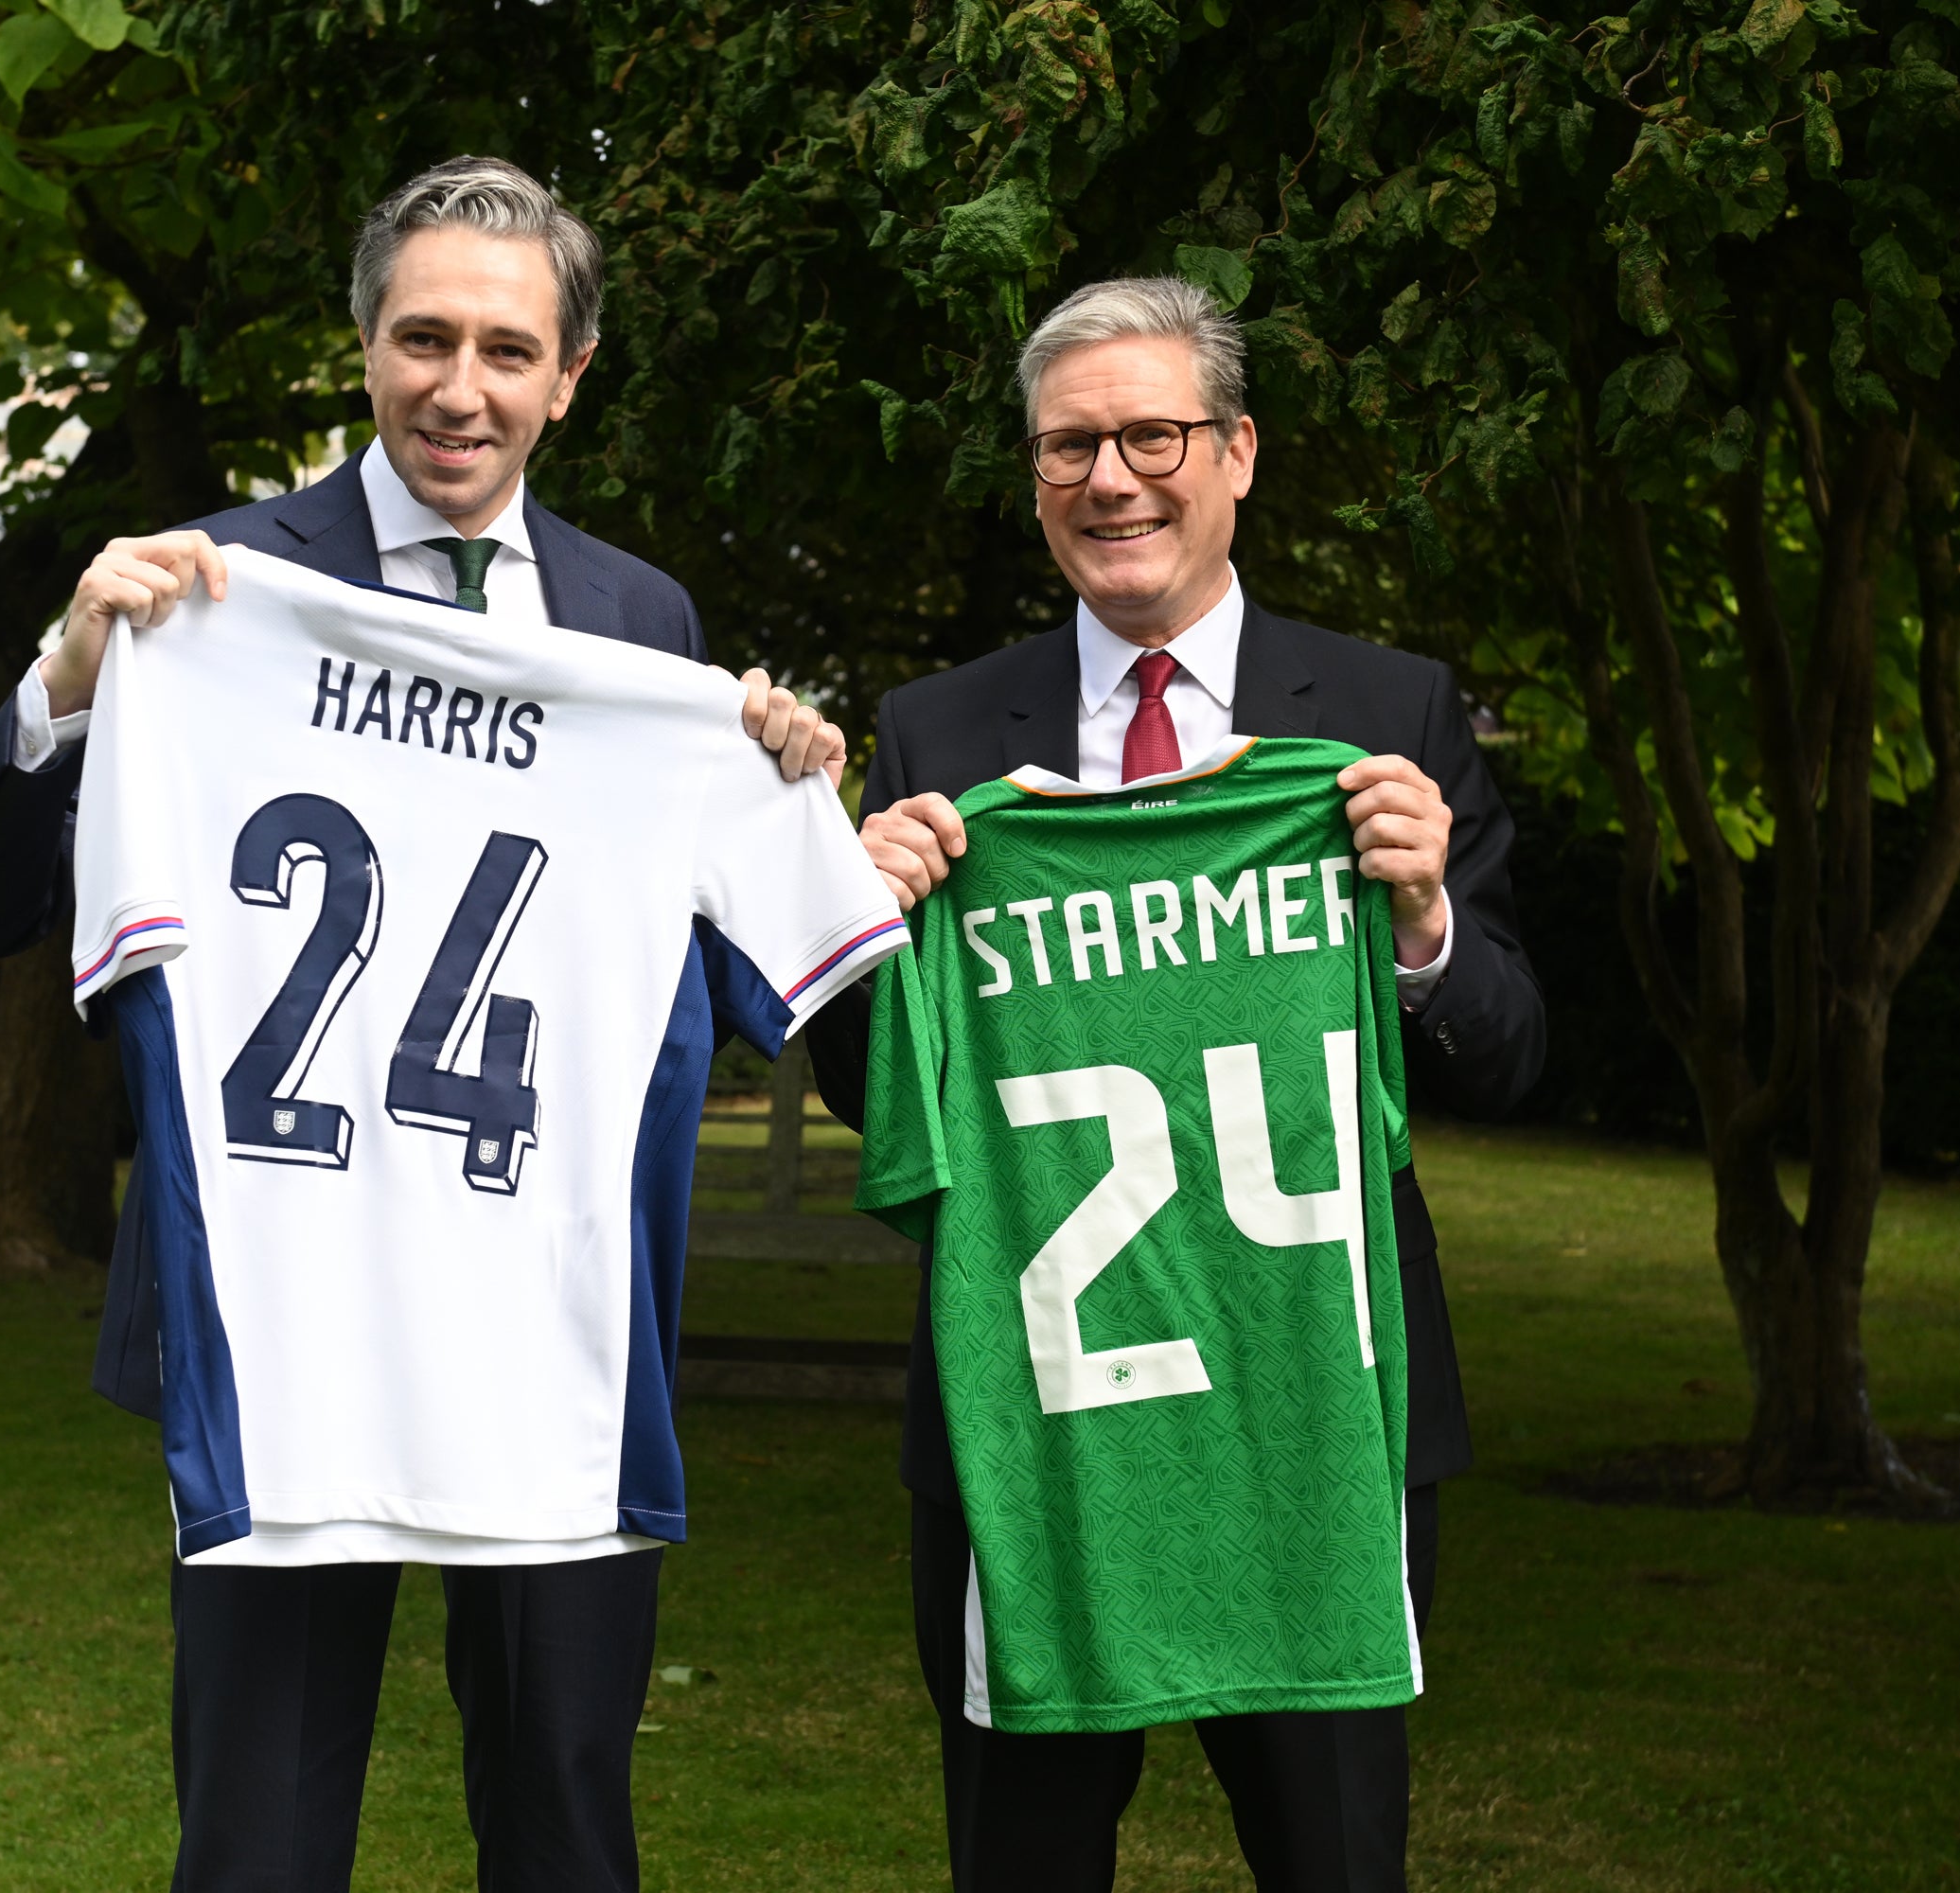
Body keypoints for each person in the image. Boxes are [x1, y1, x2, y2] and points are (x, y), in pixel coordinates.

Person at [0, 155, 843, 1893]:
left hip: (540, 1324)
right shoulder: (209, 591)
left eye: (508, 348)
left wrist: (789, 798)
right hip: (285, 1314)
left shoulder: (644, 630)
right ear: (365, 349)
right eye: (425, 337)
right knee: (258, 1835)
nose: (460, 386)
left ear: (570, 377)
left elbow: (674, 983)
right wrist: (63, 680)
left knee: (566, 1815)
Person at [804, 275, 1546, 1892]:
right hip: (1041, 1421)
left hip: (1321, 1418)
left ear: (1238, 453)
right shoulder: (941, 731)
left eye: (1152, 434)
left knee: (1335, 1857)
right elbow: (884, 1103)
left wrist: (1422, 920)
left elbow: (1505, 1052)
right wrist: (860, 934)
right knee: (1025, 1862)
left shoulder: (1379, 716)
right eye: (1071, 446)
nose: (1111, 478)